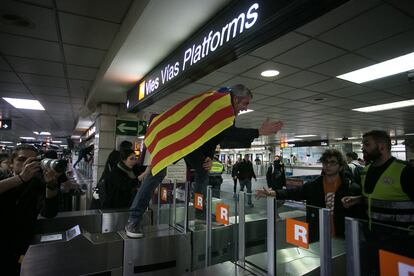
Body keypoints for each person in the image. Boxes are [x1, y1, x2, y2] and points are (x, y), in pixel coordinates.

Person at [125, 84, 283, 238]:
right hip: (174, 136)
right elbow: (228, 134)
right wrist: (258, 131)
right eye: (245, 103)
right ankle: (133, 219)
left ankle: (200, 212)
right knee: (156, 175)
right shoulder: (219, 105)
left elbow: (214, 136)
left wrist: (208, 156)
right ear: (235, 99)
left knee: (203, 170)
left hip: (191, 142)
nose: (245, 107)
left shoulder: (227, 113)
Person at [342, 130, 414, 274]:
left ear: (382, 146)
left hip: (401, 242)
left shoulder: (404, 171)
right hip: (371, 238)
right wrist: (358, 199)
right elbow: (372, 197)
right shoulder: (366, 171)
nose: (363, 148)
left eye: (367, 144)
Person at [257, 149, 360, 242]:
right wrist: (273, 193)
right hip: (317, 236)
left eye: (333, 162)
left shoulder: (350, 188)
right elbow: (294, 193)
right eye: (325, 162)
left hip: (343, 238)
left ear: (341, 166)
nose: (328, 165)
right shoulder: (313, 185)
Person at [0, 145, 61, 275]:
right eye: (22, 159)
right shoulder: (3, 178)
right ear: (11, 164)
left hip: (20, 247)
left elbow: (48, 213)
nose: (27, 164)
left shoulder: (37, 184)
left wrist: (51, 185)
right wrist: (21, 178)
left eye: (32, 161)